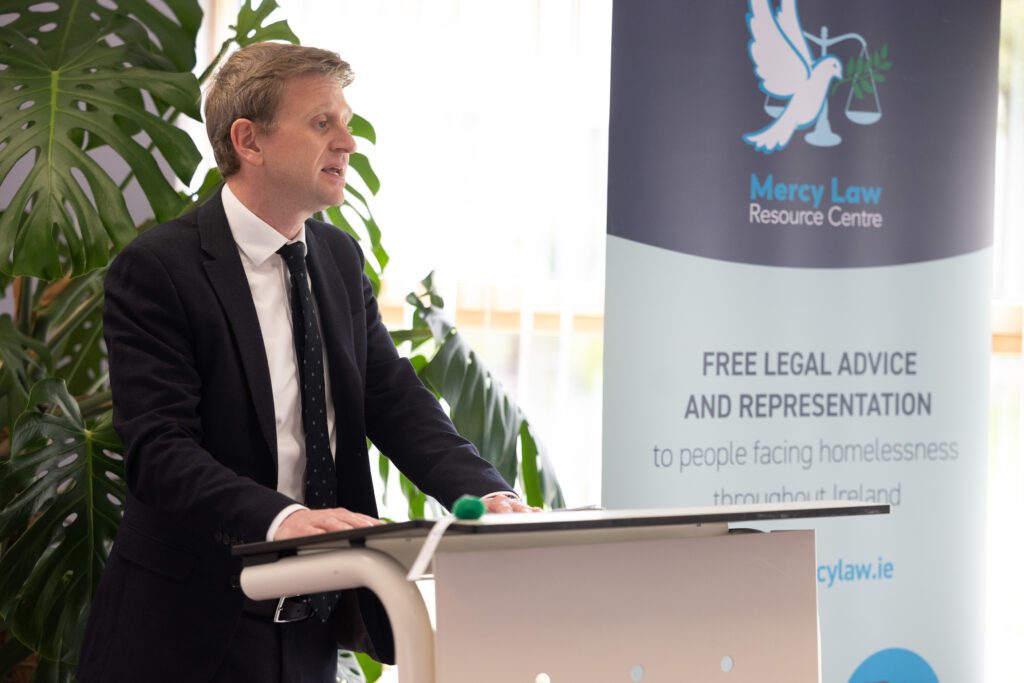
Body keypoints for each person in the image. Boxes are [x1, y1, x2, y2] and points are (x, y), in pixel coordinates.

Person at [77, 42, 533, 683]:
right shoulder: (159, 270)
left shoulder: (339, 259)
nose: (349, 142)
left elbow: (393, 400)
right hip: (186, 628)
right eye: (323, 123)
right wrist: (284, 520)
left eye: (344, 122)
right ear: (249, 140)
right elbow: (159, 450)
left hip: (311, 626)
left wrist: (484, 494)